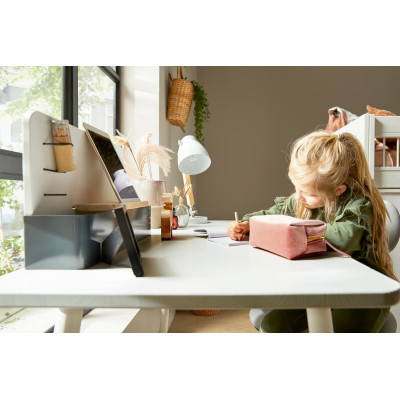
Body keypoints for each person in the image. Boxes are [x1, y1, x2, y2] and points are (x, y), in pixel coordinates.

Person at [227, 130, 397, 333]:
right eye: (295, 188)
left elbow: (346, 238)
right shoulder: (303, 201)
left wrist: (293, 228)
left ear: (338, 190)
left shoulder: (358, 206)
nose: (298, 197)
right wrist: (247, 224)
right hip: (317, 285)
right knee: (271, 325)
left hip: (363, 292)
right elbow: (272, 214)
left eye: (306, 192)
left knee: (342, 332)